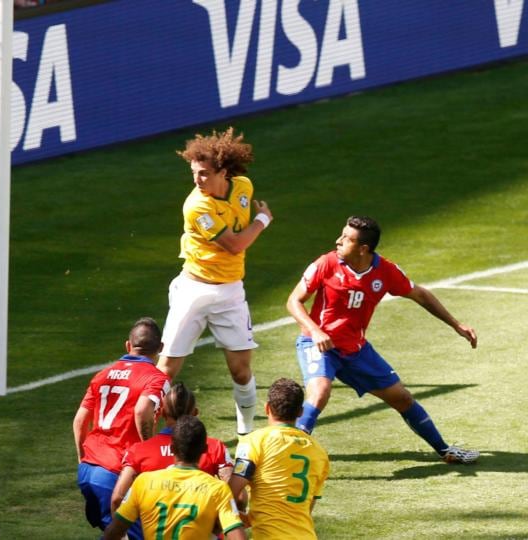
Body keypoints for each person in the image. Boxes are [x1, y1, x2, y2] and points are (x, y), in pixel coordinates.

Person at [286, 216, 479, 464]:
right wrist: (315, 330)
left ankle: (445, 451)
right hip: (318, 344)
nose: (338, 241)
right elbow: (293, 301)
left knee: (402, 398)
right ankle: (291, 454)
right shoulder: (326, 263)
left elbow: (419, 294)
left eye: (346, 238)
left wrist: (456, 324)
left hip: (355, 350)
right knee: (320, 391)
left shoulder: (385, 271)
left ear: (363, 249)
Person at [157, 128, 273, 436]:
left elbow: (239, 230)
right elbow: (235, 244)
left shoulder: (244, 187)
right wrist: (263, 220)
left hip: (231, 291)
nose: (197, 180)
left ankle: (246, 435)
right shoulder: (197, 206)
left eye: (204, 174)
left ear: (223, 171)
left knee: (241, 370)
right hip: (194, 290)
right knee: (166, 369)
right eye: (194, 173)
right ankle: (144, 437)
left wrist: (253, 222)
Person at [73, 317, 171, 539]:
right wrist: (148, 452)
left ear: (128, 345)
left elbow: (80, 420)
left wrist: (83, 459)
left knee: (115, 534)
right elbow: (142, 411)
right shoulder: (156, 378)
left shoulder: (102, 375)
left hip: (88, 470)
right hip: (115, 473)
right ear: (161, 348)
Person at [105, 416, 246, 540]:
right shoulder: (218, 490)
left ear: (172, 448)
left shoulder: (143, 482)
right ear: (205, 449)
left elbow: (113, 532)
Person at [109, 381, 233, 518]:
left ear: (162, 412)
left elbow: (117, 498)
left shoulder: (138, 451)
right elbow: (236, 495)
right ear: (196, 413)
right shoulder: (215, 448)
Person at [228, 378, 329, 540]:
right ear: (301, 412)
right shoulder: (319, 452)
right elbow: (306, 508)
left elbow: (231, 492)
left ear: (267, 408)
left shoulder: (255, 441)